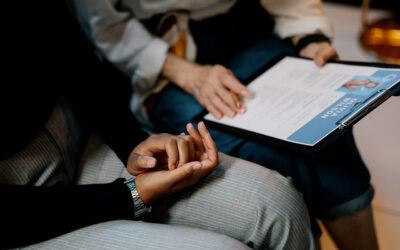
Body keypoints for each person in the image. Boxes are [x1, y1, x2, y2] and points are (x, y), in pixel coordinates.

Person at [0, 1, 314, 249]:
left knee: (278, 202)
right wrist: (130, 196)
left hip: (80, 135)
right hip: (19, 212)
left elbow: (67, 46)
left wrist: (132, 142)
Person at [69, 0, 379, 248]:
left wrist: (309, 37)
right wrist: (185, 72)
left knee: (327, 128)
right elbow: (105, 23)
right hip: (156, 52)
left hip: (242, 23)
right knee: (261, 154)